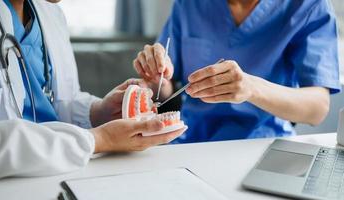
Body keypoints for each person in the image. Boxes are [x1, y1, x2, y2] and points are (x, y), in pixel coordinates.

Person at [0, 0, 186, 179]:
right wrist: (100, 139)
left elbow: (60, 101)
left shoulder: (50, 13)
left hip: (62, 172)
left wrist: (97, 112)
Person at [133, 0, 341, 143]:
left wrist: (252, 89)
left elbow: (318, 109)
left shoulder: (307, 7)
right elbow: (166, 87)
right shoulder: (189, 5)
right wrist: (153, 80)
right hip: (189, 140)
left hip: (262, 144)